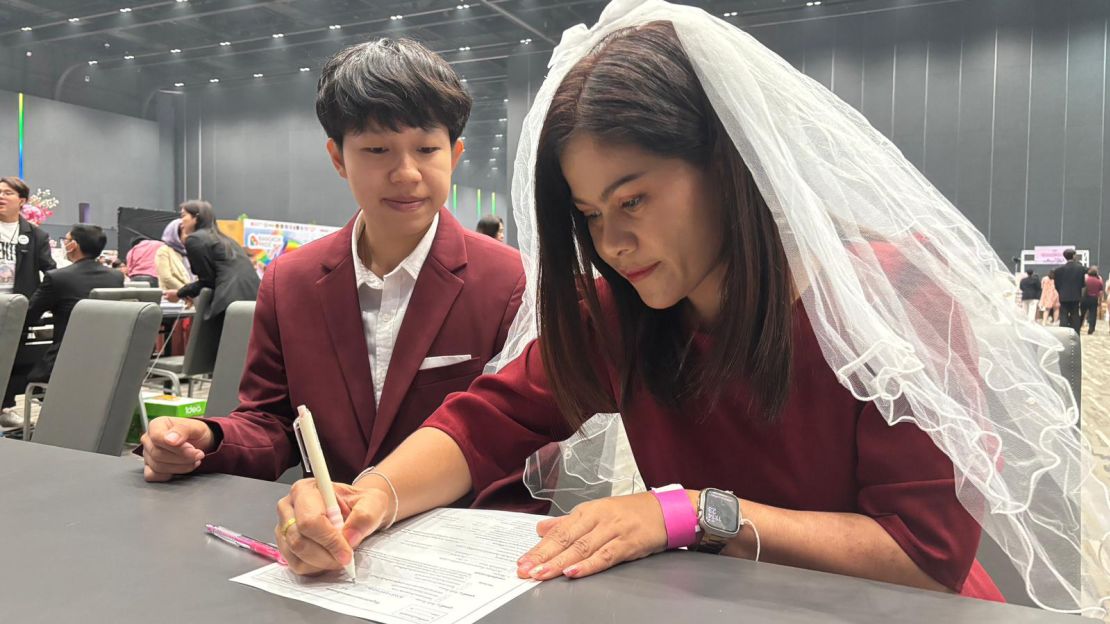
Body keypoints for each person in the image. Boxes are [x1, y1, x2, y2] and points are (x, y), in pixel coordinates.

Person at [270, 2, 1110, 616]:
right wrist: (370, 497)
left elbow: (927, 557)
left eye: (634, 200)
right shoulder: (623, 311)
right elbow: (487, 421)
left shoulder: (891, 300)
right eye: (592, 217)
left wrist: (692, 512)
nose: (614, 242)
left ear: (727, 164)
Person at [139, 39, 535, 511]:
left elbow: (516, 435)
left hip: (460, 544)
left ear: (455, 153)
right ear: (337, 158)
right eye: (377, 149)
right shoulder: (292, 281)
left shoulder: (508, 279)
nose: (406, 172)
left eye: (427, 148)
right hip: (329, 538)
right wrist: (207, 438)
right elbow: (274, 422)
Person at [0, 225, 122, 427]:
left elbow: (29, 315)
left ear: (73, 245)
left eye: (66, 240)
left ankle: (57, 420)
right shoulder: (116, 277)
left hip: (65, 359)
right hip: (105, 358)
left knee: (27, 370)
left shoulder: (58, 278)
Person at [163, 200, 259, 319]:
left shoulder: (195, 240)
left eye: (183, 216)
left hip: (227, 301)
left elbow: (207, 281)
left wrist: (179, 293)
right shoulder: (227, 240)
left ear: (196, 217)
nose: (181, 222)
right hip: (253, 301)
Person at [1055, 248, 1087, 332]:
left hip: (1063, 296)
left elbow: (1056, 285)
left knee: (1063, 315)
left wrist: (1061, 292)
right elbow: (1083, 284)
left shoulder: (1058, 270)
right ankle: (1076, 333)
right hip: (1076, 296)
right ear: (1073, 256)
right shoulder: (1080, 268)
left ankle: (1063, 333)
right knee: (1075, 315)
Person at [156, 218, 192, 291]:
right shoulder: (164, 250)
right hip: (173, 298)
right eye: (186, 233)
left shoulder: (188, 251)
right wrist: (186, 292)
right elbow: (166, 278)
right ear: (176, 234)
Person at [1081, 267, 1105, 335]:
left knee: (1082, 313)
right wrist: (1100, 301)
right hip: (1094, 299)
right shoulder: (1099, 281)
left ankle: (1079, 326)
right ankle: (1091, 329)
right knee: (1093, 315)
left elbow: (1082, 289)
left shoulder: (1086, 279)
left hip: (1085, 298)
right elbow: (1101, 293)